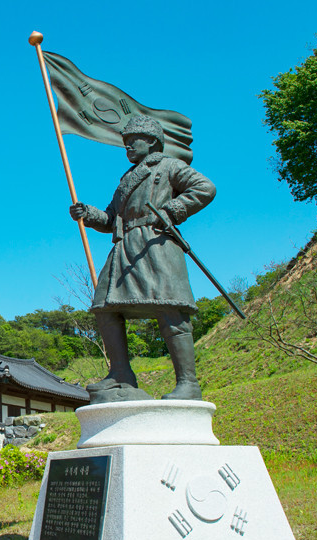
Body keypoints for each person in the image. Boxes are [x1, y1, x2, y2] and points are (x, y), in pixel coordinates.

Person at [69, 114, 215, 401]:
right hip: (124, 246)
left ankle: (188, 383)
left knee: (170, 308)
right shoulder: (126, 179)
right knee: (105, 307)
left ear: (150, 141)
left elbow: (205, 188)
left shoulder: (170, 166)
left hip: (156, 243)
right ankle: (121, 374)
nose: (127, 147)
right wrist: (88, 213)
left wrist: (172, 210)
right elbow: (111, 219)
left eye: (132, 141)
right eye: (125, 142)